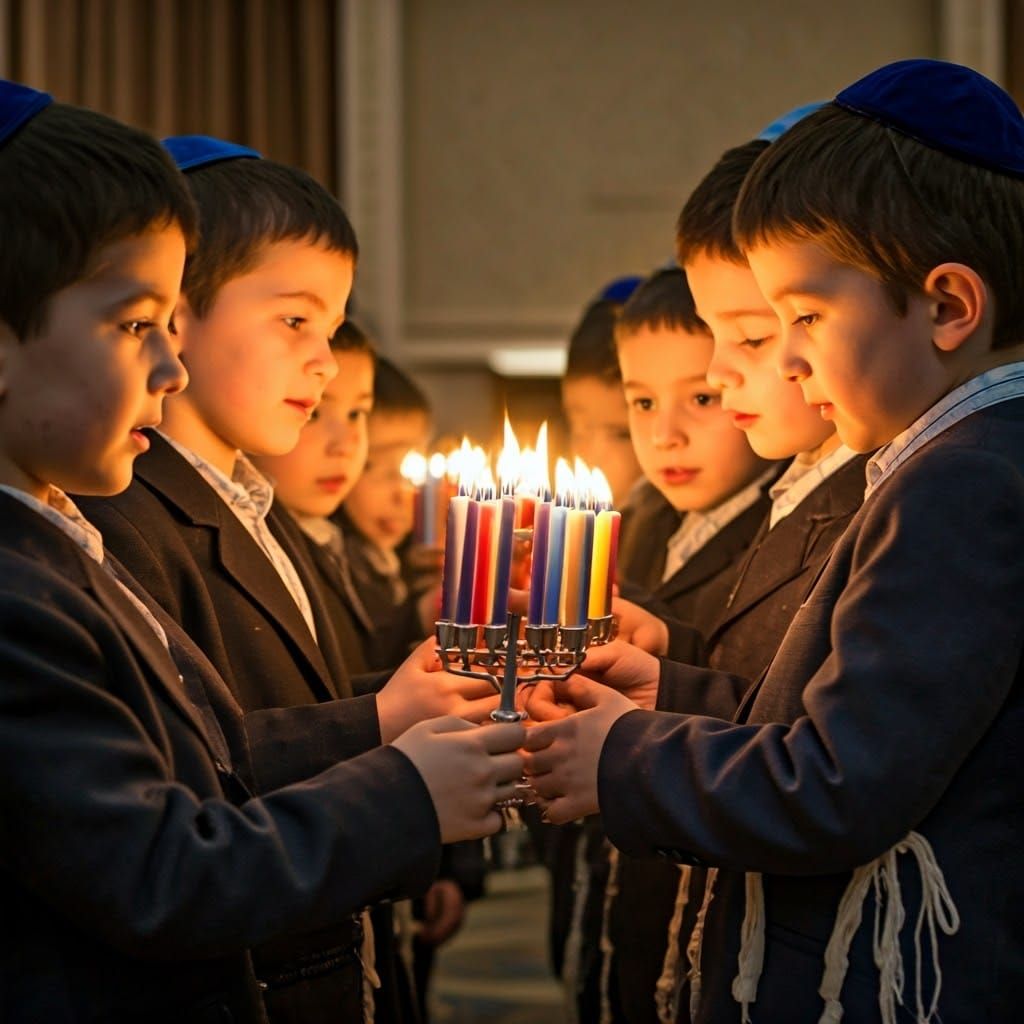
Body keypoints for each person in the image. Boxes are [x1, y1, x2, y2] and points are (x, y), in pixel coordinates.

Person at [0, 80, 525, 1024]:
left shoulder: (63, 540)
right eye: (135, 327)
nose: (169, 367)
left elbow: (209, 755)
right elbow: (161, 865)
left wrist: (383, 717)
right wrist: (402, 785)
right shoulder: (46, 567)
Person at [524, 60, 1024, 1022]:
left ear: (950, 306)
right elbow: (872, 725)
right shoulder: (957, 460)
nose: (787, 358)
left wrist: (621, 758)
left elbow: (843, 784)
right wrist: (666, 697)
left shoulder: (963, 481)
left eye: (803, 318)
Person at [603, 105, 870, 1024]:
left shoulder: (895, 491)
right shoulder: (798, 479)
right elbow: (761, 689)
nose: (721, 372)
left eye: (753, 336)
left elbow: (832, 757)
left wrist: (622, 745)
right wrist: (667, 664)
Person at [552, 266, 774, 1021]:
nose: (663, 432)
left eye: (700, 399)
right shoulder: (642, 523)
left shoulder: (773, 536)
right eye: (641, 402)